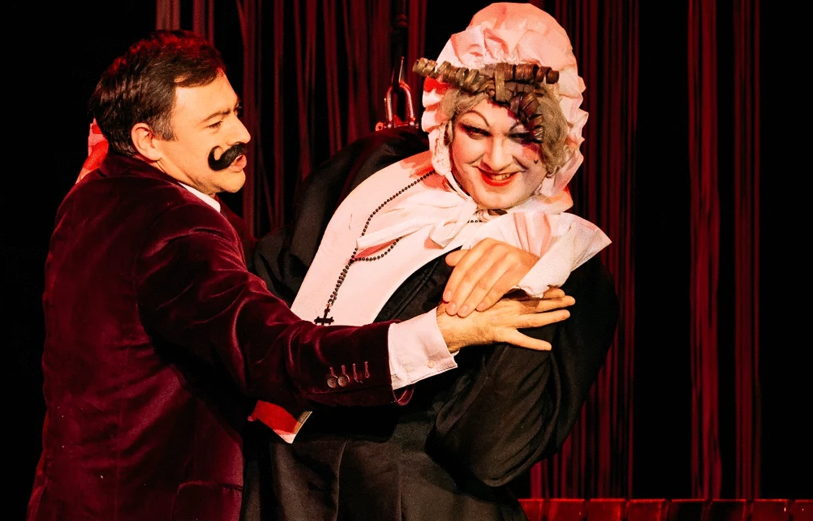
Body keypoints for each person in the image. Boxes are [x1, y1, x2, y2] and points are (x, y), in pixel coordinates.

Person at [27, 28, 579, 521]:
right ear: (149, 140)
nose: (243, 134)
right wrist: (441, 334)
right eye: (215, 123)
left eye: (234, 111)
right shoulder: (178, 226)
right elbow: (278, 354)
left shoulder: (94, 194)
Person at [243, 3, 620, 521]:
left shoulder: (576, 271)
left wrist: (535, 276)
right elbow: (265, 289)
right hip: (286, 488)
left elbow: (489, 453)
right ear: (445, 122)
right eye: (476, 131)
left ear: (559, 139)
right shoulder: (377, 172)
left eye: (523, 136)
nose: (496, 160)